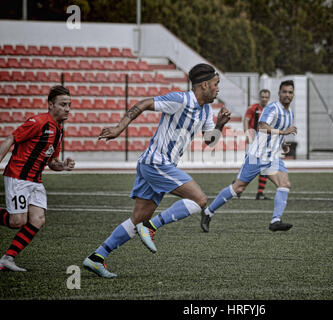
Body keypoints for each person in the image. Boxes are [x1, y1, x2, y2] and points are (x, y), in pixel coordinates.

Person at [83, 63, 231, 278]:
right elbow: (143, 103)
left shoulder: (206, 110)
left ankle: (97, 257)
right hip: (157, 162)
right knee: (199, 200)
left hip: (154, 165)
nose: (218, 89)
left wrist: (220, 125)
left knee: (138, 218)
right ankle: (152, 227)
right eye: (216, 84)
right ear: (205, 84)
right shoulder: (180, 100)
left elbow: (209, 141)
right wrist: (118, 128)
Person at [200, 80, 297, 233]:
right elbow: (262, 126)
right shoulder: (272, 108)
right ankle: (208, 212)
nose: (287, 95)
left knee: (284, 184)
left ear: (293, 95)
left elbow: (279, 130)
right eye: (284, 92)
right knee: (238, 188)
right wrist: (283, 133)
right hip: (256, 155)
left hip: (272, 157)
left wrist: (282, 143)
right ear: (279, 93)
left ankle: (275, 220)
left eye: (290, 92)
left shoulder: (289, 113)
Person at [0, 85, 75, 272]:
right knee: (17, 221)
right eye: (63, 104)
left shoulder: (59, 131)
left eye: (69, 105)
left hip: (35, 181)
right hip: (18, 177)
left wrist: (63, 166)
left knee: (37, 220)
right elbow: (11, 139)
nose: (67, 109)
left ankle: (7, 259)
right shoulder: (38, 122)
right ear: (50, 105)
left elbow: (52, 162)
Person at [244, 89, 271, 200]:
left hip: (265, 142)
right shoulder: (253, 108)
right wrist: (247, 134)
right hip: (253, 141)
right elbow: (246, 120)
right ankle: (237, 186)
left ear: (268, 98)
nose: (264, 99)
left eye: (266, 97)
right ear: (259, 98)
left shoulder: (271, 110)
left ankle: (260, 193)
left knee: (265, 167)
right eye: (262, 97)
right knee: (249, 167)